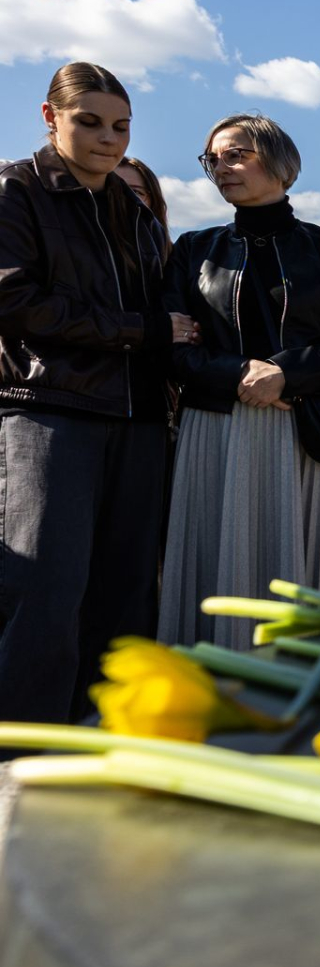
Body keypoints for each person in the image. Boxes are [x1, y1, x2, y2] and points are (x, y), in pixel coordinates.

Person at [0, 62, 184, 719]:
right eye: (90, 122)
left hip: (136, 420)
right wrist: (143, 331)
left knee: (126, 593)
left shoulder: (132, 208)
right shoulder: (13, 189)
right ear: (49, 118)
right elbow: (16, 301)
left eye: (122, 127)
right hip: (48, 411)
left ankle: (109, 737)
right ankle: (20, 752)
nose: (110, 139)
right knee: (43, 589)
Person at [159, 113, 320, 647]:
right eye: (213, 159)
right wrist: (241, 374)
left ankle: (312, 704)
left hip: (304, 434)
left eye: (236, 154)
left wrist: (285, 374)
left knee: (307, 583)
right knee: (214, 567)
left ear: (279, 162)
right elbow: (173, 346)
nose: (221, 167)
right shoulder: (192, 249)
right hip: (214, 431)